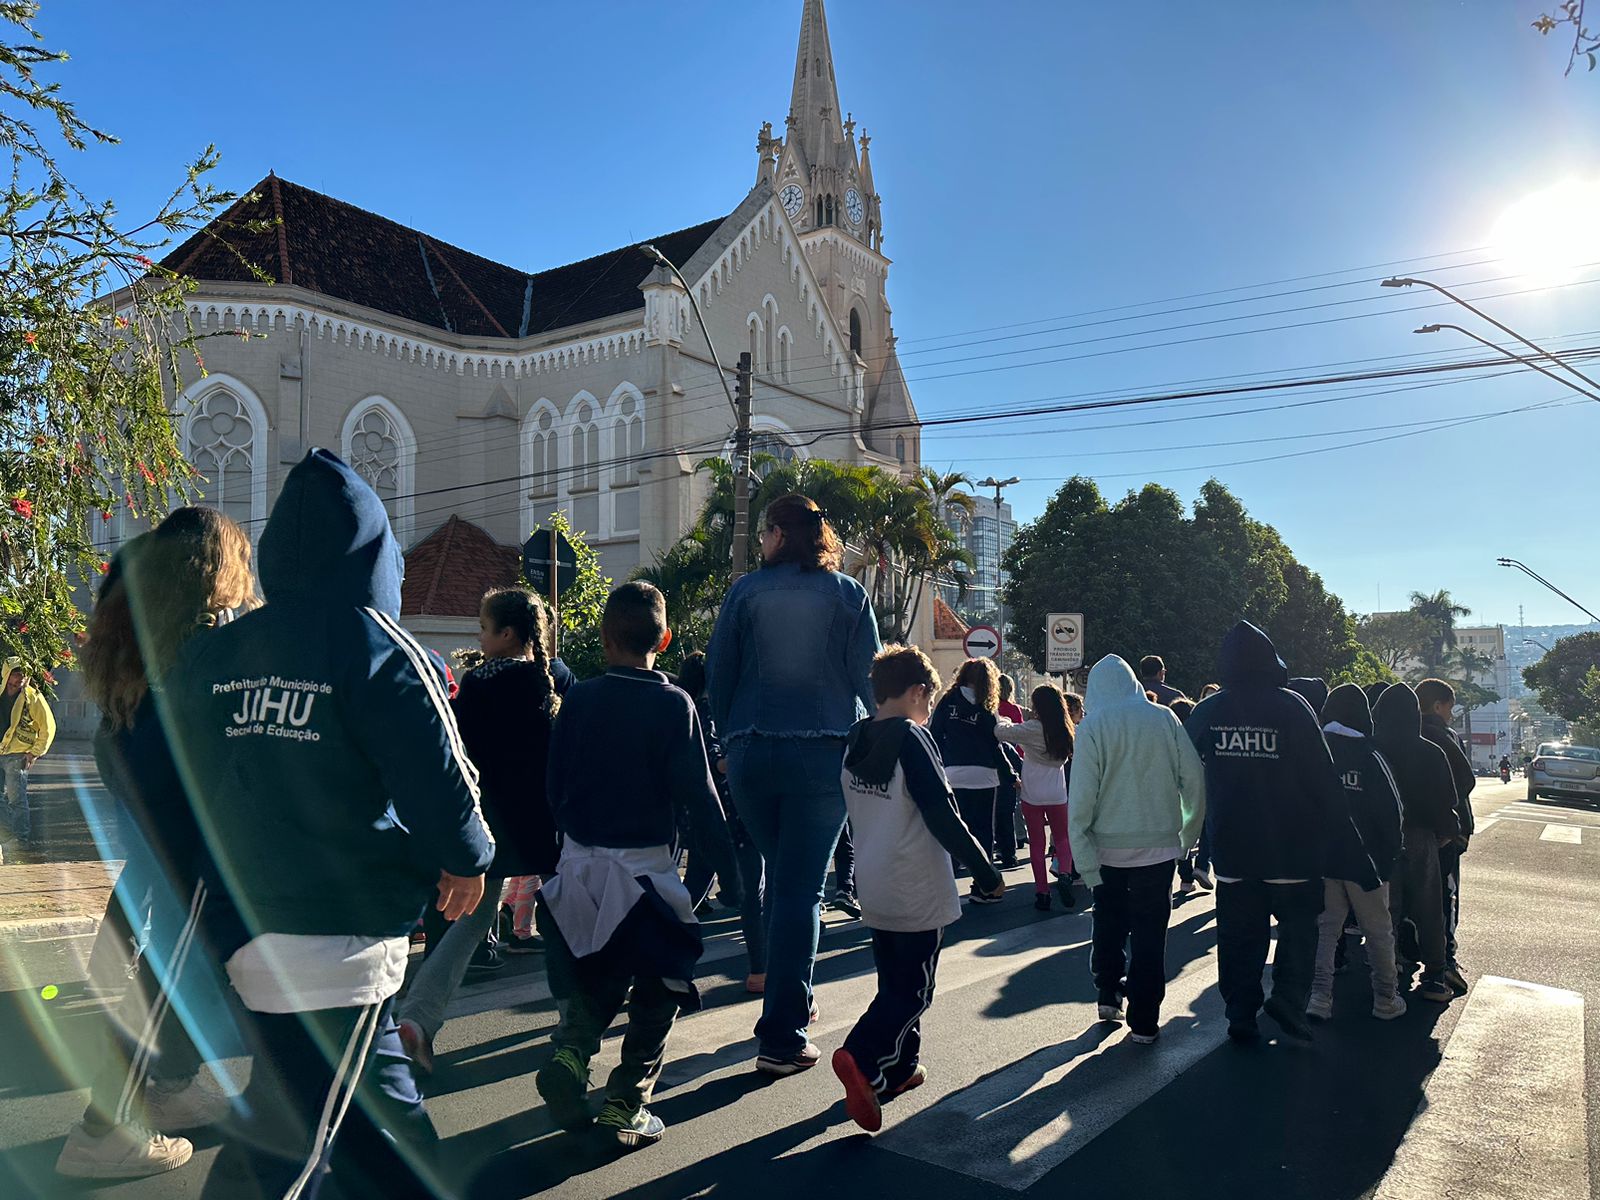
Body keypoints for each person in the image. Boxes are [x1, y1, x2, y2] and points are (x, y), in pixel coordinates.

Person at [168, 449, 495, 1200]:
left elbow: (178, 773)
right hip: (339, 934)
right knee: (293, 1152)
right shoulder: (379, 648)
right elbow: (440, 774)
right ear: (377, 554)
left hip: (241, 920)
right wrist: (468, 858)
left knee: (373, 1118)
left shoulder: (220, 652)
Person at [57, 509, 257, 1180]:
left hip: (146, 793)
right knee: (173, 974)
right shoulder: (204, 634)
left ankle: (166, 1090)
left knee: (170, 966)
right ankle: (102, 1133)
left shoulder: (146, 615)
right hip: (184, 816)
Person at [535, 582, 738, 1148]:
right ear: (665, 640)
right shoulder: (674, 704)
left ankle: (572, 1053)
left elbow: (553, 784)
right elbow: (700, 798)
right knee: (662, 978)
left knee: (598, 971)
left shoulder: (580, 698)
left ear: (603, 638)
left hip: (579, 863)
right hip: (644, 869)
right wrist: (733, 875)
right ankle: (627, 1100)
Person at [706, 494, 879, 1077]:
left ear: (779, 534)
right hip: (823, 755)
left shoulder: (745, 592)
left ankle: (791, 1003)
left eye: (763, 532)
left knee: (782, 881)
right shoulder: (848, 595)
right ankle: (783, 1034)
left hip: (752, 753)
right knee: (800, 890)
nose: (761, 541)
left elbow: (719, 675)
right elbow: (869, 679)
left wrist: (730, 740)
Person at [834, 645, 1003, 1132]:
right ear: (915, 691)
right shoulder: (913, 738)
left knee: (894, 980)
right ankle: (861, 1056)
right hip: (916, 884)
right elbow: (943, 816)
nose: (930, 707)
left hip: (873, 882)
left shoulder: (854, 738)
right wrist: (986, 872)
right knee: (914, 991)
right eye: (929, 697)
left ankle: (900, 1068)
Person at [396, 587, 562, 1073]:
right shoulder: (546, 682)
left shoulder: (476, 686)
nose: (479, 637)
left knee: (468, 926)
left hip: (487, 824)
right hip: (542, 824)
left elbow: (456, 755)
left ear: (506, 634)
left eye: (484, 629)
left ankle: (417, 1020)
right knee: (565, 921)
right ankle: (576, 1021)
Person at [1184, 621, 1348, 1045]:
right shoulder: (1293, 707)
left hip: (1233, 850)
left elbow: (1181, 769)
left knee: (1239, 938)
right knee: (1299, 931)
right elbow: (1324, 778)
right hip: (1293, 850)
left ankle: (1240, 1012)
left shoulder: (1209, 710)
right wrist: (1334, 839)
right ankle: (1288, 1001)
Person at [1070, 655, 1205, 1044]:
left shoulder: (1093, 725)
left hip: (1107, 848)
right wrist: (1186, 836)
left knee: (1107, 922)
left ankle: (1108, 992)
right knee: (1150, 933)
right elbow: (1194, 779)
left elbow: (1081, 797)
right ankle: (1145, 1019)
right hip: (1159, 847)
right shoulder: (1165, 718)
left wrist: (1083, 857)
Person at [1308, 684, 1405, 1021]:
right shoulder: (1370, 755)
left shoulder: (1315, 751)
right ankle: (1385, 998)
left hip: (1323, 860)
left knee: (1325, 931)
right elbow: (1393, 812)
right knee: (1379, 932)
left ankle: (1319, 997)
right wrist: (1388, 858)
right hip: (1366, 864)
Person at [677, 650, 768, 992]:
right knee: (752, 895)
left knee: (688, 896)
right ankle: (760, 971)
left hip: (702, 816)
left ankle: (652, 966)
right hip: (735, 816)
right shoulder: (715, 710)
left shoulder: (685, 709)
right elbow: (717, 757)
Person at [1372, 683, 1460, 1005]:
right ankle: (1434, 975)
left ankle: (1388, 972)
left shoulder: (1372, 748)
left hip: (1381, 838)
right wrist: (1447, 832)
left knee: (1387, 910)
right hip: (1423, 837)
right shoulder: (1431, 751)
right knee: (1430, 908)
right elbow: (1447, 799)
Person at [929, 658, 1018, 888]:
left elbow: (935, 734)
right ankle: (983, 885)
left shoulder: (948, 700)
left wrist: (939, 765)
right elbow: (995, 746)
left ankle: (948, 881)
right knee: (984, 832)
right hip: (984, 775)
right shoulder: (986, 705)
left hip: (953, 773)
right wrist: (1010, 775)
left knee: (955, 830)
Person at [1415, 678, 1474, 996]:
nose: (1451, 715)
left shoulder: (1401, 732)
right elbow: (1465, 781)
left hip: (1409, 832)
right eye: (1450, 708)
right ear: (1437, 706)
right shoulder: (1443, 735)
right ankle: (1443, 964)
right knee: (1444, 898)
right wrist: (1452, 826)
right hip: (1446, 833)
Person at [996, 683, 1076, 910]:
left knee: (1037, 844)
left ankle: (1042, 892)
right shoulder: (1066, 728)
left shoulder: (1031, 728)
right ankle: (1065, 873)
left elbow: (1001, 732)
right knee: (1063, 838)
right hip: (1057, 793)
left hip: (1032, 793)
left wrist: (1002, 718)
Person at [2, 655, 56, 844]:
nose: (21, 677)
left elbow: (48, 726)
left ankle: (20, 838)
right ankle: (7, 833)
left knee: (16, 799)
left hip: (18, 755)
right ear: (7, 674)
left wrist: (34, 752)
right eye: (17, 673)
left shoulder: (33, 697)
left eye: (24, 674)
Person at [995, 674, 1027, 867]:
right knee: (1013, 806)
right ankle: (1019, 836)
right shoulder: (1013, 709)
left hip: (993, 763)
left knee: (999, 808)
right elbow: (1021, 735)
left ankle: (1002, 844)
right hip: (1013, 757)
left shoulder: (990, 707)